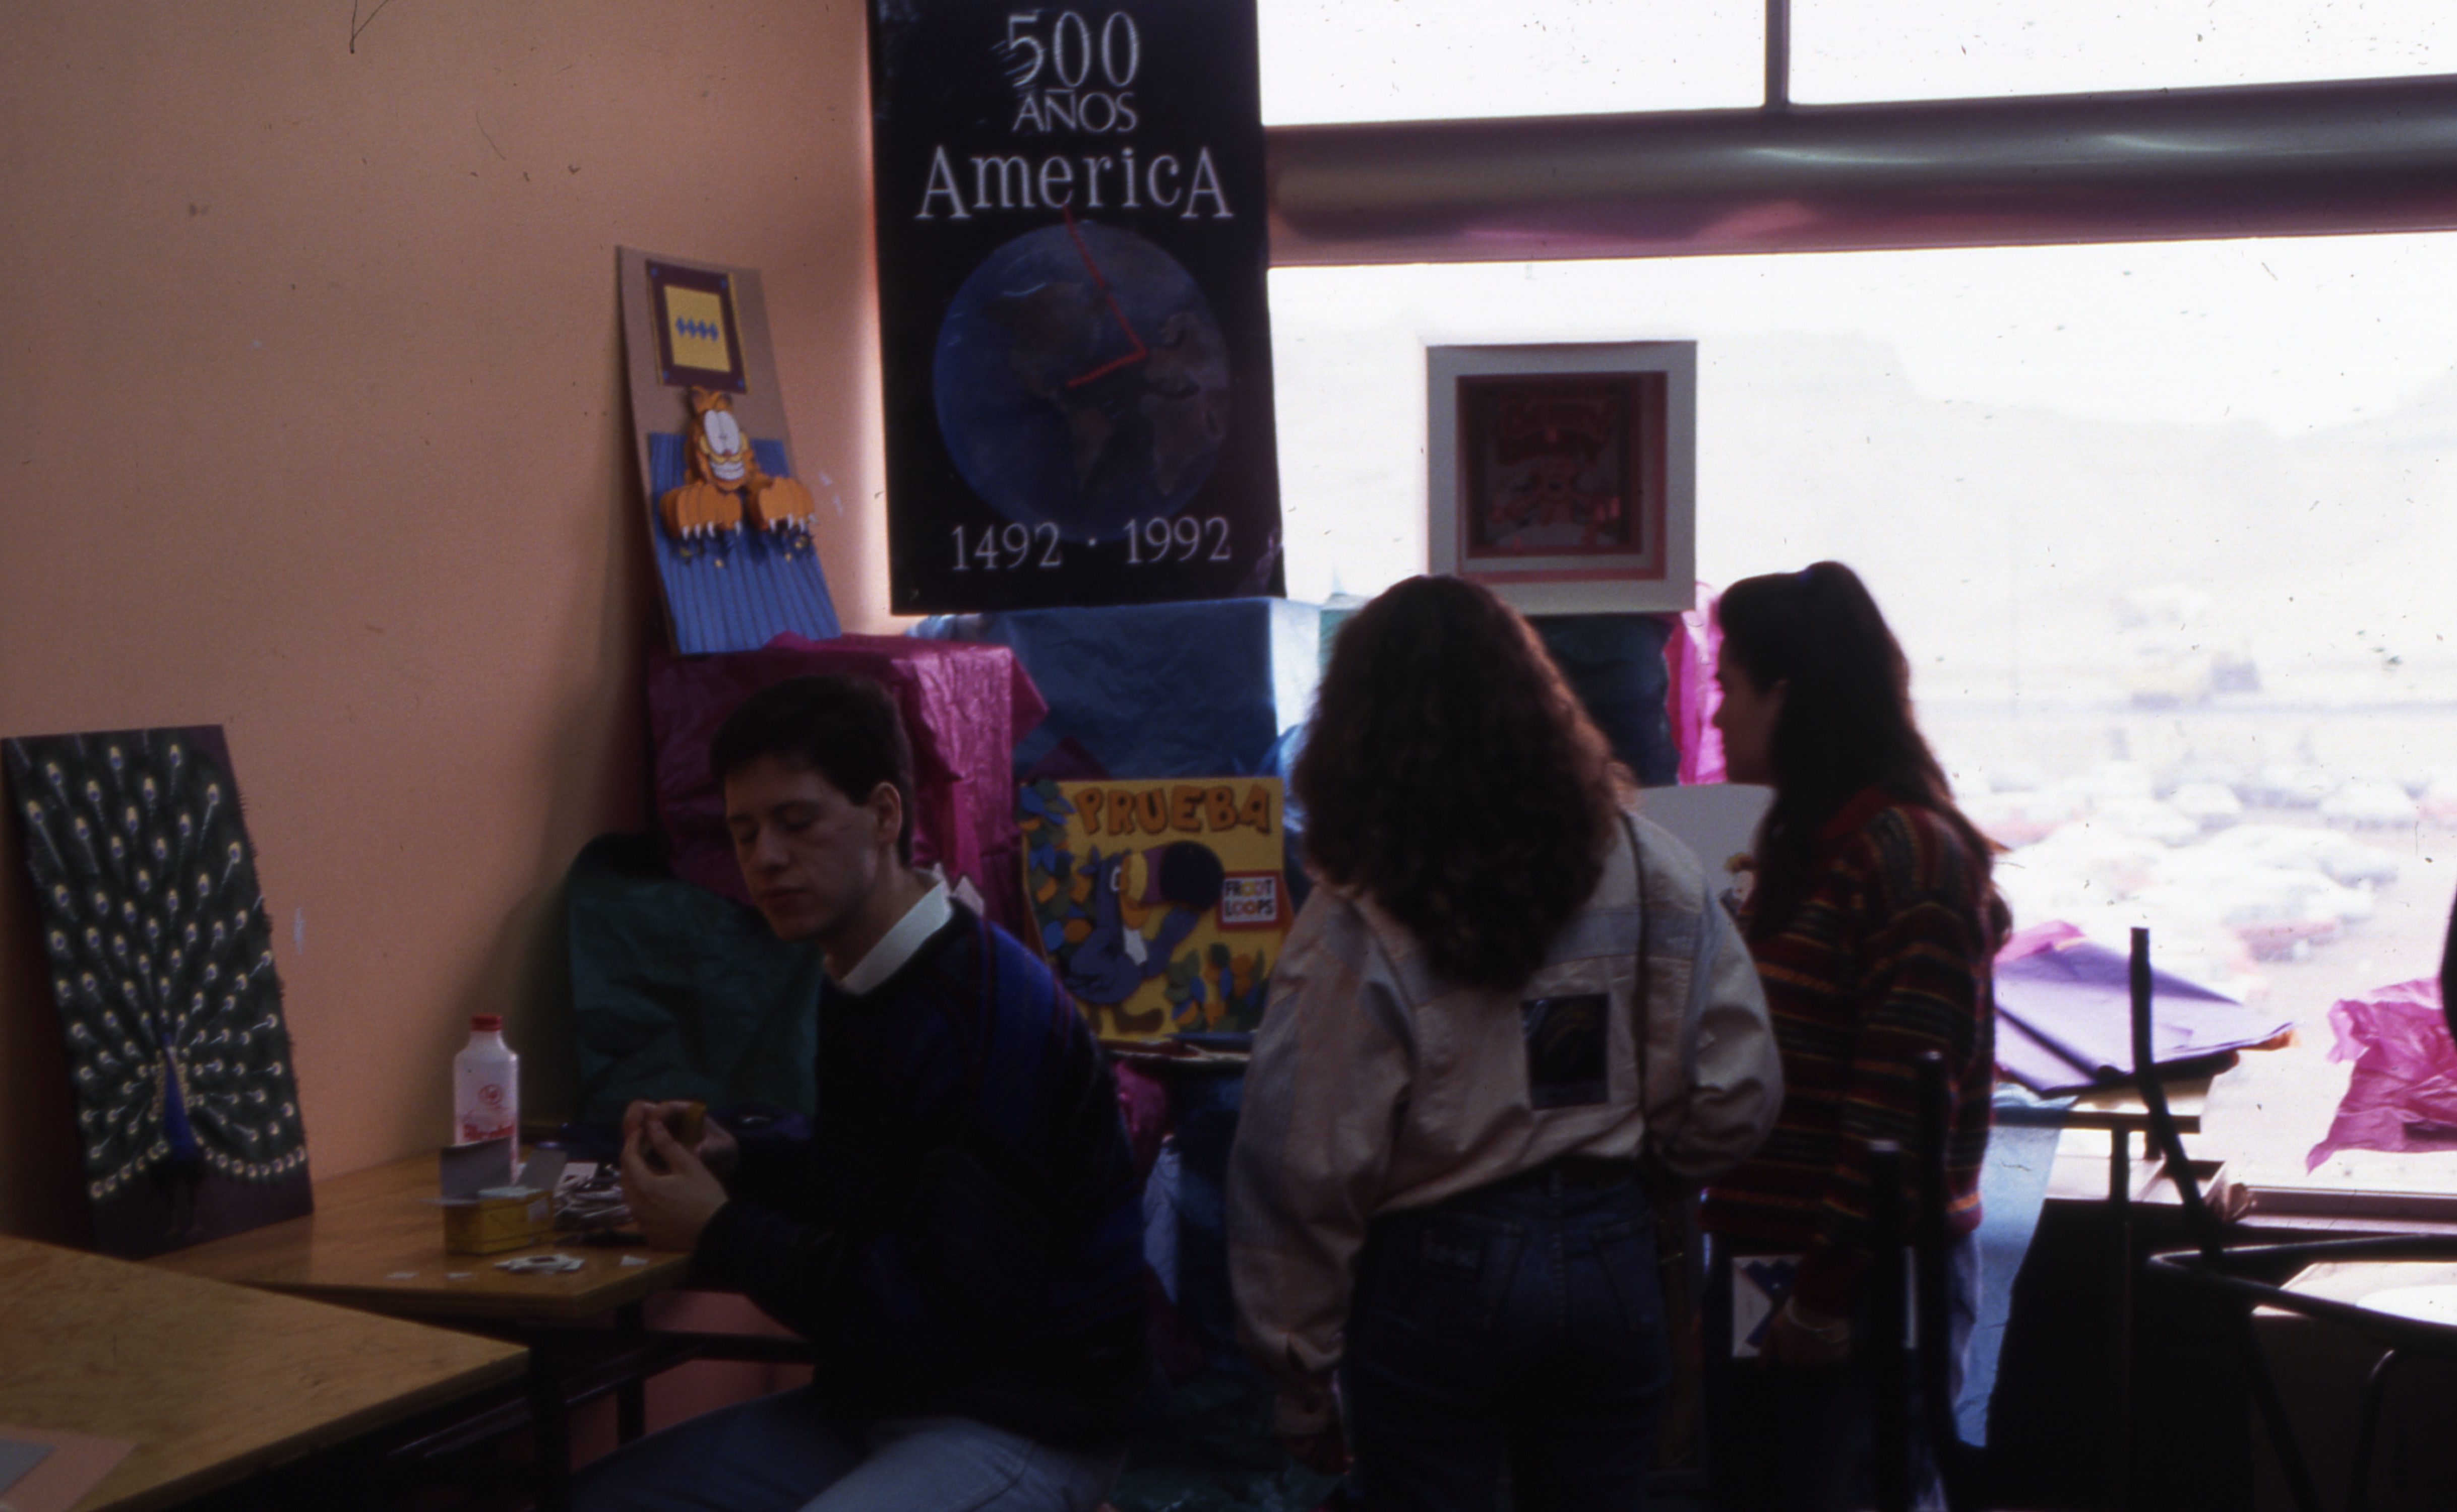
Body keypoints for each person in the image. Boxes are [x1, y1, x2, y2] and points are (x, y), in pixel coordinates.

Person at [1227, 576, 1783, 1512]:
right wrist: (1653, 1165)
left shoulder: (1359, 910)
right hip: (1614, 1250)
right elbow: (1738, 1088)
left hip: (1435, 1274)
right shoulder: (1650, 863)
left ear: (1359, 730)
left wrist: (1299, 1369)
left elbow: (1302, 1158)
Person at [574, 674, 1153, 1512]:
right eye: (743, 831)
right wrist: (738, 1163)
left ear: (884, 815)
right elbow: (876, 1184)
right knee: (600, 1501)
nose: (765, 858)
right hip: (886, 1401)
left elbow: (936, 1310)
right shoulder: (861, 972)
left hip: (1027, 1416)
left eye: (797, 822)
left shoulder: (982, 1012)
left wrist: (721, 1230)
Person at [1699, 562, 2006, 1512]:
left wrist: (1825, 1292)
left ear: (1787, 697)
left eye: (1727, 687)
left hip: (1858, 1278)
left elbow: (1898, 1107)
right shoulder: (1808, 849)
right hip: (1776, 1260)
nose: (1715, 716)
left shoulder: (1907, 855)